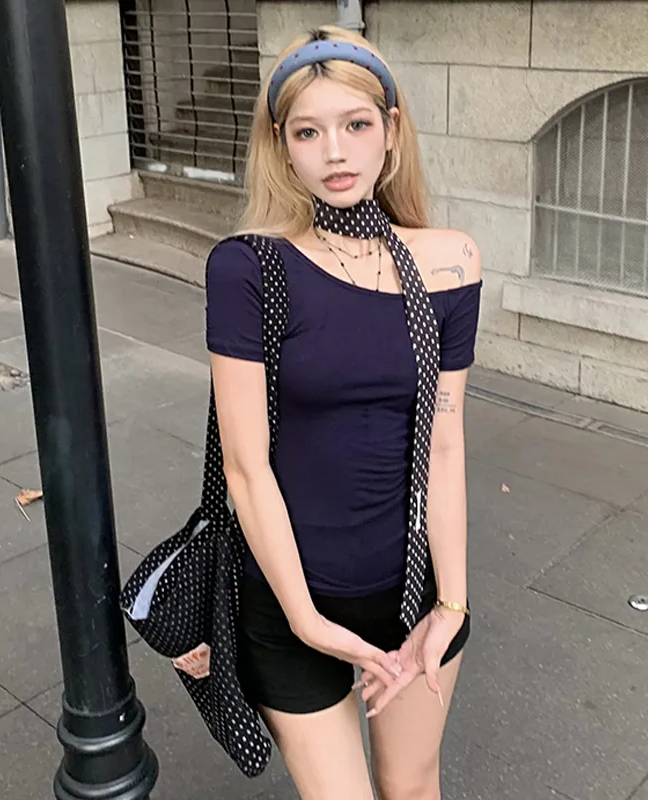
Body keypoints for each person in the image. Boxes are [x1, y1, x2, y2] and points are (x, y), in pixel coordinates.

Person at [204, 24, 482, 800]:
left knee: (412, 785)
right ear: (281, 146)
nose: (335, 152)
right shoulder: (247, 268)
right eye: (308, 132)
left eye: (356, 124)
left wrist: (451, 604)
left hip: (413, 593)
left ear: (390, 130)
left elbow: (445, 444)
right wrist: (305, 619)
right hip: (293, 600)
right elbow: (245, 469)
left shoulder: (452, 261)